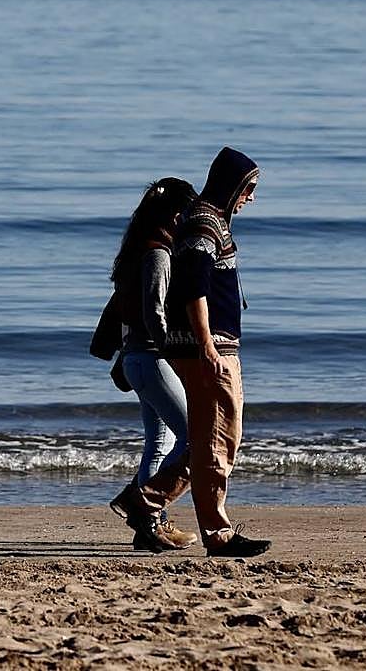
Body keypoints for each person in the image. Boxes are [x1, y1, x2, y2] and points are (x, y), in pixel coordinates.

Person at [163, 146, 270, 557]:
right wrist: (207, 342)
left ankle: (148, 500)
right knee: (219, 439)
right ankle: (218, 533)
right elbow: (194, 286)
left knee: (215, 437)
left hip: (210, 346)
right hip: (207, 348)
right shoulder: (206, 223)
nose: (251, 198)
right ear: (232, 185)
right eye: (249, 188)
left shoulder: (211, 220)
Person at [105, 177, 200, 552]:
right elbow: (154, 312)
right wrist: (175, 355)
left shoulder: (136, 249)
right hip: (151, 357)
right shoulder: (158, 254)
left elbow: (124, 310)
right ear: (177, 215)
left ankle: (149, 527)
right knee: (196, 439)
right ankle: (142, 504)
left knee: (159, 442)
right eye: (188, 214)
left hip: (136, 358)